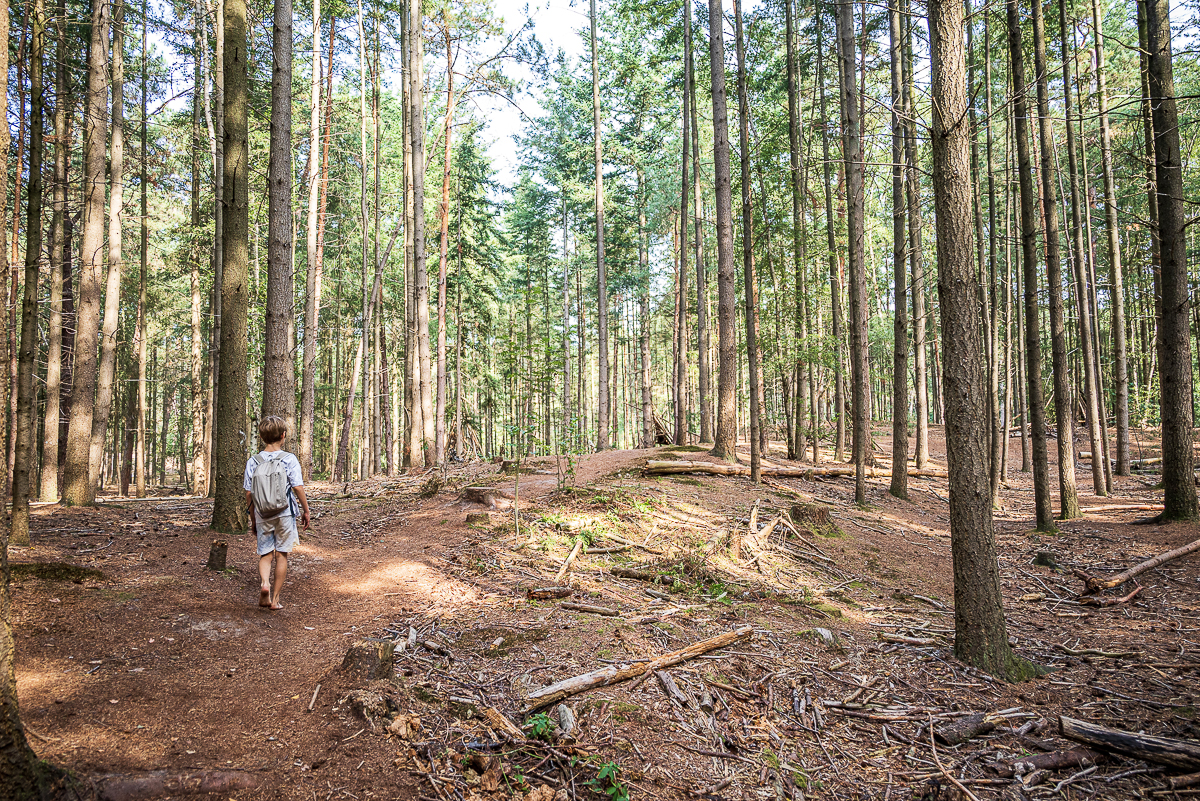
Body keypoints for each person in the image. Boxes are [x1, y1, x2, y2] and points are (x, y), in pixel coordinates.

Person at [244, 416, 311, 610]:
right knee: (282, 554)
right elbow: (297, 487)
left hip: (262, 513)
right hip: (284, 513)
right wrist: (305, 511)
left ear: (263, 437)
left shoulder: (253, 461)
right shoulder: (289, 459)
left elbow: (249, 493)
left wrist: (253, 519)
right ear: (283, 435)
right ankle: (275, 600)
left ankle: (265, 583)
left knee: (265, 553)